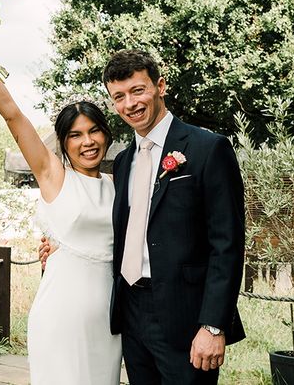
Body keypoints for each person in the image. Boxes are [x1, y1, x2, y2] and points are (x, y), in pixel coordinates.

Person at [41, 50, 245, 384]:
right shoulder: (122, 163)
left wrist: (213, 325)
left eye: (138, 90)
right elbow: (119, 233)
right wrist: (62, 248)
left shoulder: (208, 148)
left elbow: (228, 244)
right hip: (131, 314)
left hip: (186, 317)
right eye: (118, 96)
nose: (130, 104)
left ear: (160, 86)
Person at [0, 68, 122, 385]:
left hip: (107, 323)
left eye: (94, 131)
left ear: (106, 135)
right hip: (61, 315)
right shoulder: (53, 176)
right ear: (63, 142)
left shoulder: (117, 187)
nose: (87, 141)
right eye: (75, 134)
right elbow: (13, 117)